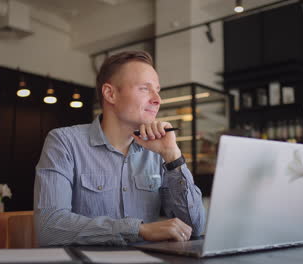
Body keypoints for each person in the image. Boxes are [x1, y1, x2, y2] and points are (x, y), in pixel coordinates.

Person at [34, 51, 206, 246]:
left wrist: (172, 156)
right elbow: (49, 227)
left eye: (158, 90)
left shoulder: (158, 153)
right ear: (110, 94)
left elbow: (195, 228)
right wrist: (138, 229)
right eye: (145, 88)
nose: (158, 99)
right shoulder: (64, 142)